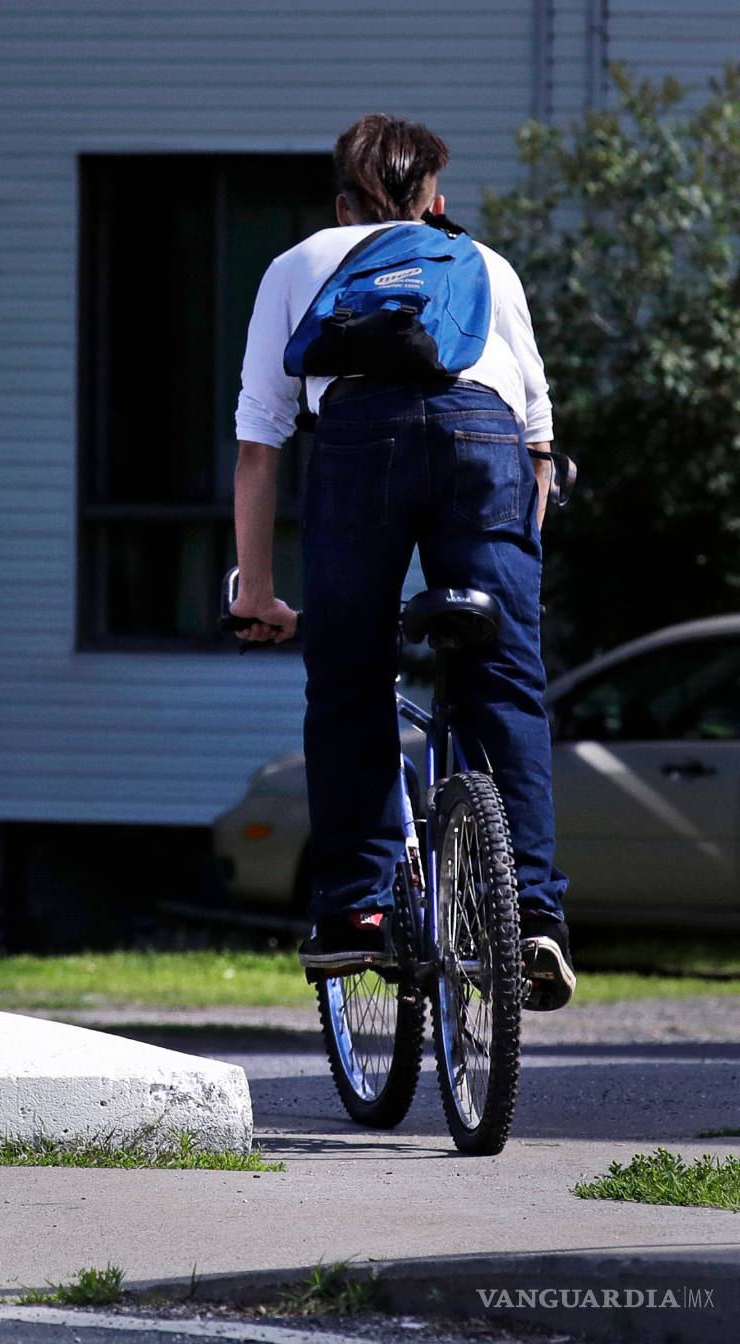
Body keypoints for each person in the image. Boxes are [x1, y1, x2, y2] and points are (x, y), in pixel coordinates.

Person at [229, 113, 575, 1011]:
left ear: (342, 204)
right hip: (483, 446)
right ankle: (535, 915)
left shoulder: (299, 263)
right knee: (508, 684)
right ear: (438, 202)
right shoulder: (488, 267)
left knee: (347, 672)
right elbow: (539, 445)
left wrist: (259, 591)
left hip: (360, 446)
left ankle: (356, 913)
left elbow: (260, 444)